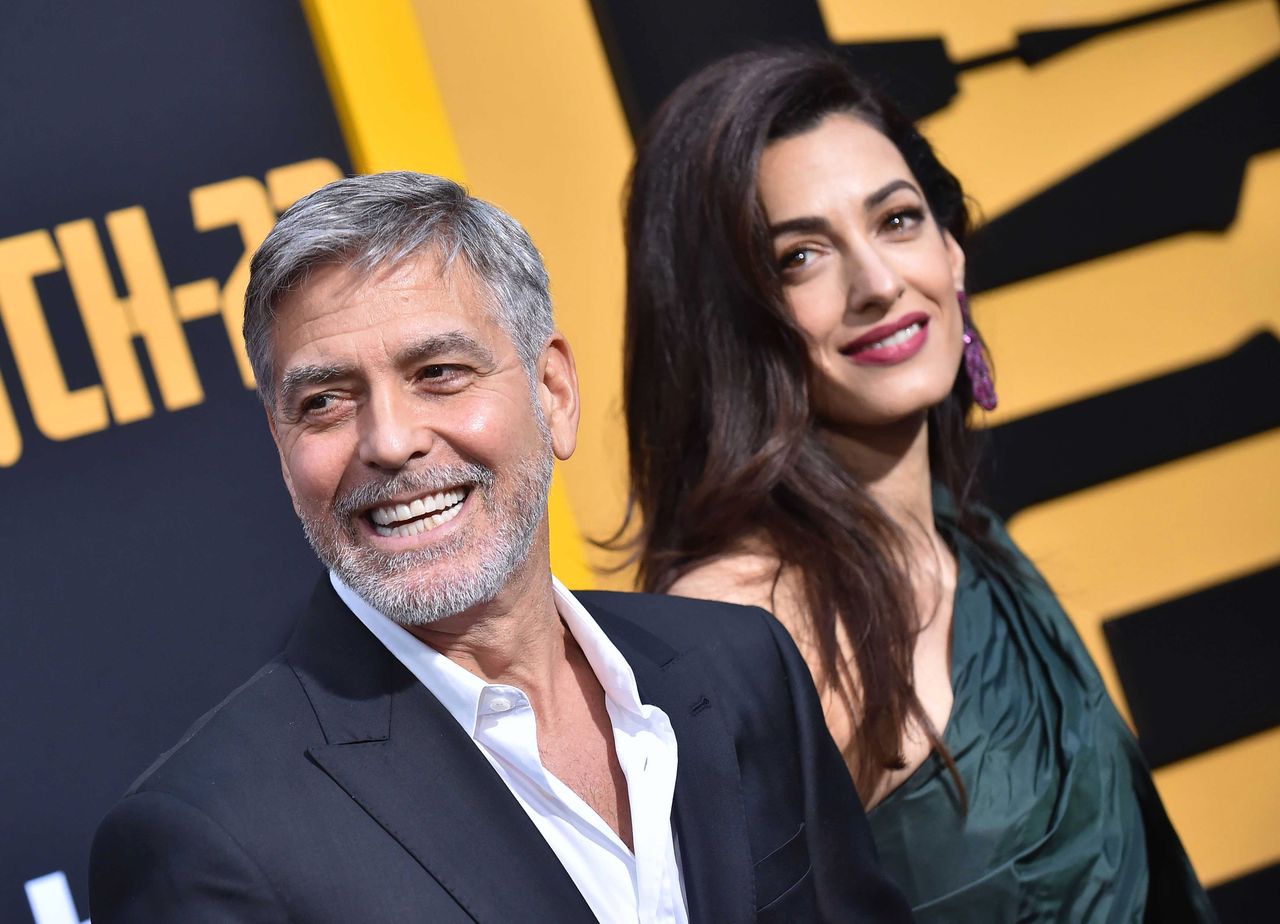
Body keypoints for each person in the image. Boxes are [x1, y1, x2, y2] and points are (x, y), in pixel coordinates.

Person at [88, 171, 913, 924]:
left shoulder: (742, 666)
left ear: (553, 392)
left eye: (439, 371)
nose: (391, 440)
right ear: (281, 445)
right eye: (327, 401)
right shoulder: (205, 835)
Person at [618, 47, 1216, 921]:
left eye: (896, 221)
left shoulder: (969, 542)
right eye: (800, 258)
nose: (878, 283)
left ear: (953, 251)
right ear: (727, 326)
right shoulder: (747, 627)